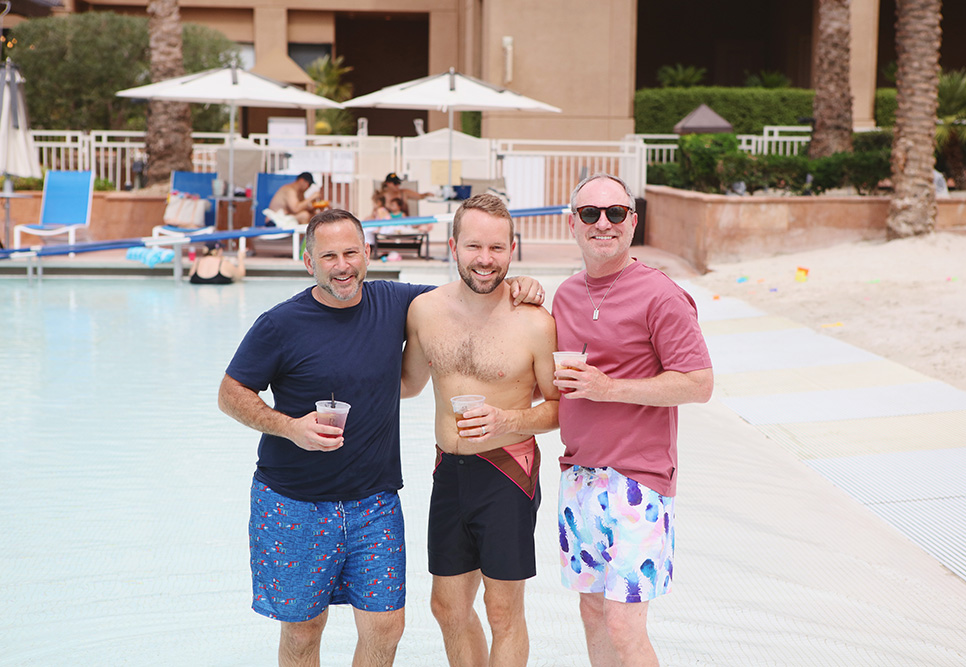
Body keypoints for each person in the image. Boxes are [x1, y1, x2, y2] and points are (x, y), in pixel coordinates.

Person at [218, 208, 545, 667]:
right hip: (293, 501)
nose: (342, 265)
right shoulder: (280, 324)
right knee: (303, 631)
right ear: (308, 262)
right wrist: (290, 427)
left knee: (387, 627)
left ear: (367, 254)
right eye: (328, 255)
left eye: (351, 252)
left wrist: (520, 282)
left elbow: (475, 284)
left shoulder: (398, 303)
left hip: (374, 503)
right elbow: (230, 394)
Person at [551, 174, 714, 667]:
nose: (603, 223)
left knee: (624, 624)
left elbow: (698, 383)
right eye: (590, 214)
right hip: (579, 477)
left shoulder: (661, 295)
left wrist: (609, 389)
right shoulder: (564, 295)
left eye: (615, 213)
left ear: (633, 221)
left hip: (637, 482)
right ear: (573, 224)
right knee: (592, 611)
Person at [400, 193, 559, 667]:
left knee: (503, 610)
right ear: (453, 246)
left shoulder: (536, 322)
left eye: (496, 248)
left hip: (507, 473)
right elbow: (406, 385)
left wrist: (507, 419)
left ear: (513, 248)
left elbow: (560, 409)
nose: (485, 260)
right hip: (448, 471)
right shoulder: (424, 311)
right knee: (447, 607)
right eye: (473, 247)